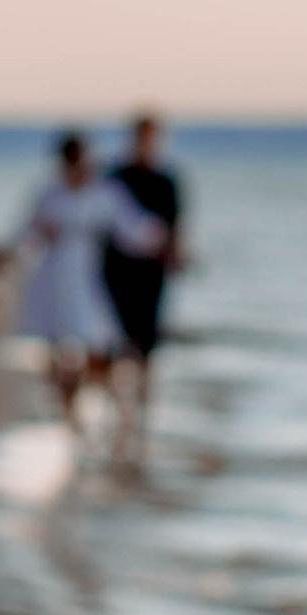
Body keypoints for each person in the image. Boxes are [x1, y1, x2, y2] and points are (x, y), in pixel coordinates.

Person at [15, 133, 165, 432]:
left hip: (89, 276)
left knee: (98, 344)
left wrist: (162, 240)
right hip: (53, 276)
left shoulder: (103, 193)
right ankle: (69, 414)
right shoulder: (50, 194)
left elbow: (133, 230)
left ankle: (102, 411)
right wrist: (37, 238)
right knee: (59, 349)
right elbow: (25, 233)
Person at [102, 113, 183, 445]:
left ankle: (142, 414)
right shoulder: (116, 176)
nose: (148, 143)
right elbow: (102, 223)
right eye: (143, 137)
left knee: (148, 343)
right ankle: (117, 411)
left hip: (152, 271)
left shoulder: (167, 180)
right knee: (117, 341)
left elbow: (176, 225)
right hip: (118, 269)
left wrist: (176, 254)